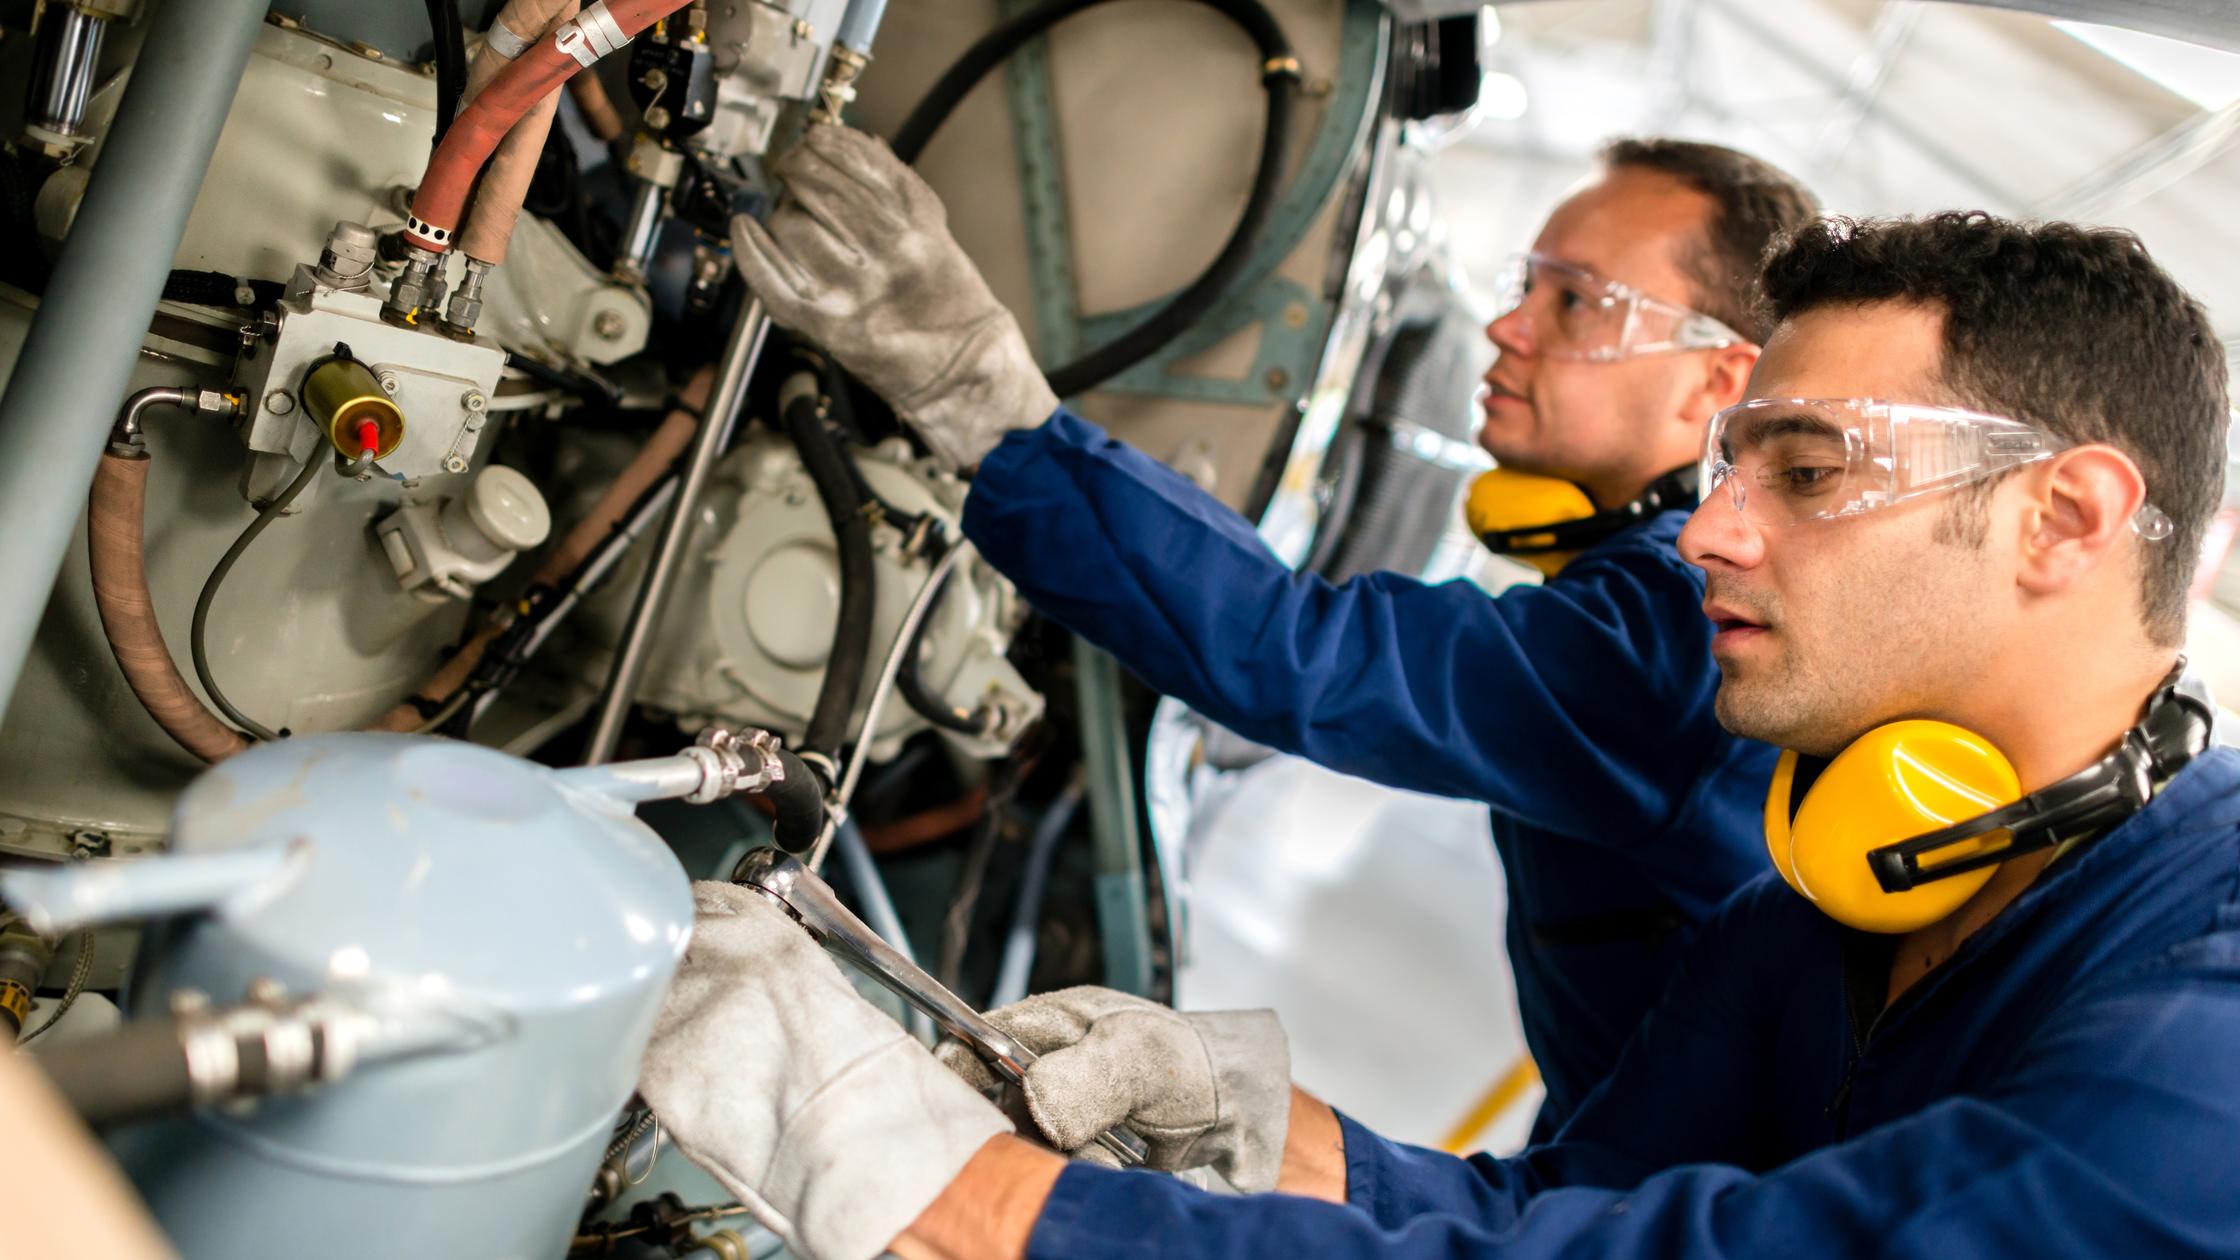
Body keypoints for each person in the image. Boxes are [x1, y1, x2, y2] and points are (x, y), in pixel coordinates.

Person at [639, 211, 2240, 1260]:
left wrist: (954, 1196)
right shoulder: (1810, 918)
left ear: (2064, 519)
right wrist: (1254, 1119)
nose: (1704, 538)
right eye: (1730, 470)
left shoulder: (2211, 1003)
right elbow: (1565, 1210)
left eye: (1807, 474)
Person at [727, 121, 1820, 1136]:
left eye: (1574, 299)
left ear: (1716, 380)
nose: (1506, 325)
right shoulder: (1657, 599)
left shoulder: (1679, 627)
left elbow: (1303, 654)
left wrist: (981, 398)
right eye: (1522, 282)